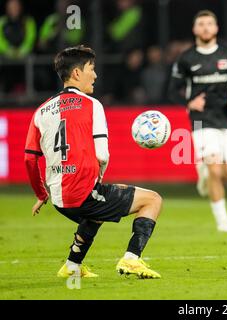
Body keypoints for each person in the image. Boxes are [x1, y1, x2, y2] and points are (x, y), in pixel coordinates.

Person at [24, 45, 162, 279]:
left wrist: (40, 193)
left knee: (96, 213)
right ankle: (132, 259)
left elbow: (29, 159)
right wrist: (98, 178)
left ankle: (72, 265)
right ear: (77, 73)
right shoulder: (91, 105)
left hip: (59, 197)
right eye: (91, 68)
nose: (95, 75)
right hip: (80, 193)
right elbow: (102, 155)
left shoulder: (41, 111)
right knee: (153, 200)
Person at [168, 10, 227, 232]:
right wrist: (189, 102)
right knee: (215, 169)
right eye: (201, 24)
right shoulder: (186, 58)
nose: (205, 28)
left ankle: (204, 171)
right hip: (201, 120)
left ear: (216, 28)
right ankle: (223, 221)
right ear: (195, 29)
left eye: (209, 24)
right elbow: (172, 89)